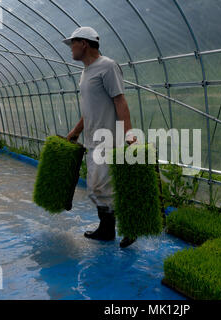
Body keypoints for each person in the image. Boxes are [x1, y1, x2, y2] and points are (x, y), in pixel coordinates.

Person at [62, 27, 137, 248]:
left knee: (105, 188)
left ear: (84, 43)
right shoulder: (85, 72)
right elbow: (90, 110)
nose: (71, 49)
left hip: (108, 139)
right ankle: (107, 230)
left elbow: (120, 101)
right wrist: (75, 131)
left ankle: (129, 227)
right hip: (92, 140)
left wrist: (130, 135)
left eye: (72, 44)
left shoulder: (107, 66)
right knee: (97, 188)